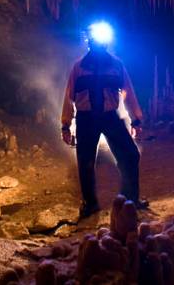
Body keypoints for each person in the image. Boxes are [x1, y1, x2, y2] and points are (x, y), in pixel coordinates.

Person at [60, 22, 145, 219]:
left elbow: (128, 93)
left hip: (109, 117)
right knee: (86, 161)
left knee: (130, 155)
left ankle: (129, 200)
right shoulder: (78, 68)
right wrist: (65, 124)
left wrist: (136, 119)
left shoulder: (117, 66)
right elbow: (69, 97)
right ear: (88, 40)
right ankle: (90, 204)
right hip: (86, 118)